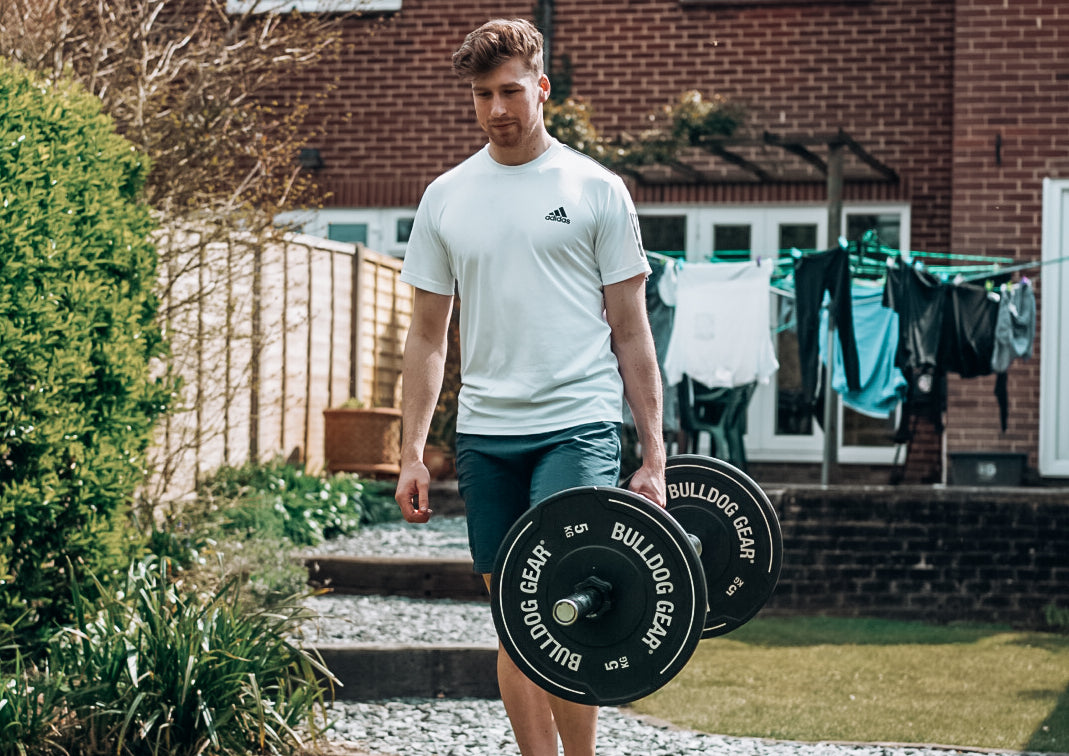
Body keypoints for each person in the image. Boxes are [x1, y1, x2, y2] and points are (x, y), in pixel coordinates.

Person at [393, 17, 666, 756]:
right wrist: (412, 452)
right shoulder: (446, 197)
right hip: (486, 437)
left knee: (559, 606)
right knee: (517, 622)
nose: (496, 109)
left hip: (577, 425)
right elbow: (427, 336)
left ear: (542, 88)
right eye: (482, 95)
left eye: (510, 91)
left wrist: (653, 454)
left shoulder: (595, 189)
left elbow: (631, 331)